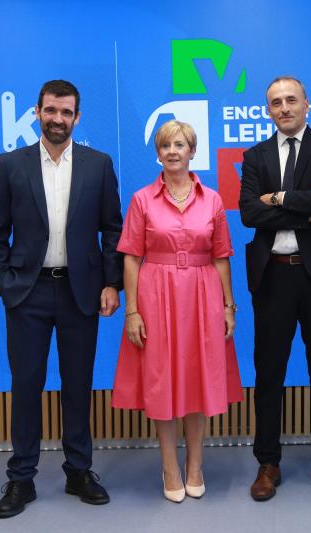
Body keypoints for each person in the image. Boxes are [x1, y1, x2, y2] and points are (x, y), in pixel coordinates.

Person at [0, 80, 123, 518]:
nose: (58, 119)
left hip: (82, 292)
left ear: (77, 117)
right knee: (26, 385)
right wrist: (7, 284)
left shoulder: (99, 165)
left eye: (66, 112)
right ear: (37, 112)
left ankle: (79, 471)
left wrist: (111, 283)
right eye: (50, 111)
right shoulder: (10, 165)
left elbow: (113, 230)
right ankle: (21, 477)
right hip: (28, 293)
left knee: (77, 385)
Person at [111, 120, 243, 503]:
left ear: (192, 151)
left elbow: (221, 256)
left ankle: (195, 466)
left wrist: (228, 306)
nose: (172, 151)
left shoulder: (213, 199)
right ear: (158, 152)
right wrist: (132, 311)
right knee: (162, 381)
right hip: (156, 295)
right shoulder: (142, 199)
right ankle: (169, 467)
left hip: (203, 294)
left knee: (198, 381)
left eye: (180, 144)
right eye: (166, 145)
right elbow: (132, 258)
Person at [238, 76, 311, 501]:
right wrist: (306, 206)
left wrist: (279, 198)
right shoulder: (255, 156)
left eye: (291, 100)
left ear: (307, 104)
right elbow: (249, 213)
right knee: (269, 373)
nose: (284, 107)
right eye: (275, 102)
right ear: (267, 110)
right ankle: (268, 463)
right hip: (273, 276)